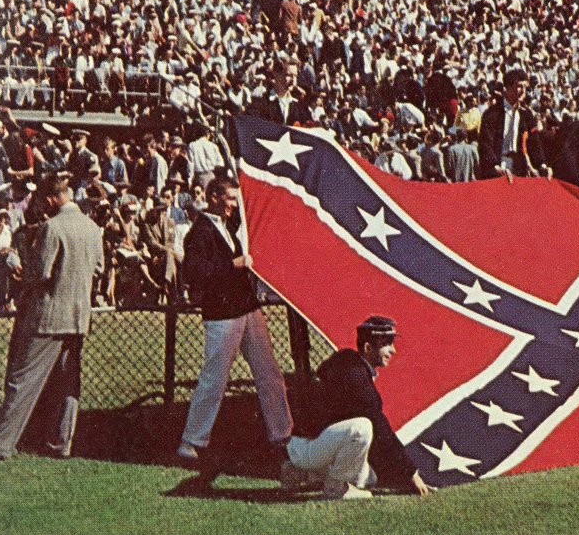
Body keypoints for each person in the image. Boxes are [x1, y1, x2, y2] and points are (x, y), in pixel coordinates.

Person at [0, 173, 104, 460]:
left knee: (22, 379)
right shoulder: (92, 228)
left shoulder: (52, 228)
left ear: (52, 199)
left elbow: (40, 273)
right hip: (78, 317)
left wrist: (21, 273)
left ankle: (0, 443)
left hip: (47, 317)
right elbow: (100, 268)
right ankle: (61, 442)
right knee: (68, 385)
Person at [177, 177, 291, 461]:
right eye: (229, 199)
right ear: (214, 197)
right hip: (223, 315)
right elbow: (195, 273)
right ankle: (191, 440)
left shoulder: (228, 226)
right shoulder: (200, 232)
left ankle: (282, 433)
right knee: (215, 378)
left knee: (269, 372)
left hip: (247, 309)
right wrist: (233, 265)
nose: (233, 205)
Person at [280, 316, 434, 499]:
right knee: (361, 428)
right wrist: (411, 474)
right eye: (386, 344)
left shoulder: (351, 365)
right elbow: (381, 429)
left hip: (311, 444)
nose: (393, 350)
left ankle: (302, 473)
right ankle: (335, 487)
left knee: (369, 479)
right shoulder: (354, 374)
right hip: (306, 445)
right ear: (368, 348)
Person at [477, 68, 536, 180]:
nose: (523, 91)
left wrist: (541, 164)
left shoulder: (527, 114)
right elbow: (485, 143)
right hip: (498, 166)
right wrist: (494, 166)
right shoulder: (491, 113)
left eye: (525, 87)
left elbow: (534, 142)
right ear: (507, 88)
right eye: (519, 86)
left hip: (519, 168)